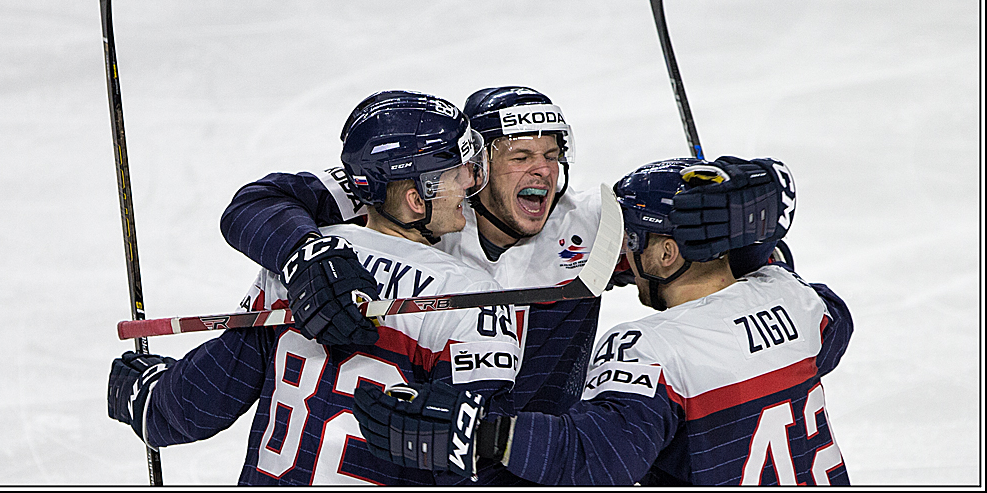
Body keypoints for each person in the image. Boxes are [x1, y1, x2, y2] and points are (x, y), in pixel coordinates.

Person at [219, 86, 797, 484]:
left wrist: (742, 241)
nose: (542, 171)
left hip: (540, 461)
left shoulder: (594, 225)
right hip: (419, 459)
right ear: (476, 164)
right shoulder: (424, 198)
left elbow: (700, 243)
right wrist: (305, 253)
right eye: (519, 155)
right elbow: (259, 202)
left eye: (552, 154)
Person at [352, 157, 853, 486]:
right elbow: (837, 325)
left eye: (632, 239)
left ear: (665, 253)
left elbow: (598, 459)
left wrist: (486, 434)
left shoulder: (650, 349)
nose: (622, 254)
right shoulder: (798, 301)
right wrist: (757, 259)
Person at [107, 91, 522, 485]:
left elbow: (195, 406)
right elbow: (482, 464)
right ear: (417, 199)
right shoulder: (470, 298)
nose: (470, 182)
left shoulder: (299, 267)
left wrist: (148, 397)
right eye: (458, 172)